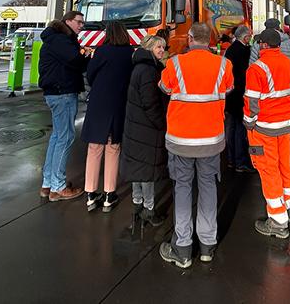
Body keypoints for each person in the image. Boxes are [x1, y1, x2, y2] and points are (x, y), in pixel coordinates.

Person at [158, 22, 233, 269]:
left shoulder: (175, 63)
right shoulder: (224, 64)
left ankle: (182, 248)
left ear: (190, 38)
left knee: (182, 189)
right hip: (211, 140)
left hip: (180, 141)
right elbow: (228, 88)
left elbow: (165, 87)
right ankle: (208, 246)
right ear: (209, 39)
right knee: (209, 188)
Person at [244, 28, 290, 239]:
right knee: (284, 166)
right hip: (285, 126)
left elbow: (251, 103)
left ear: (265, 45)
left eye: (259, 43)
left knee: (269, 171)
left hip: (264, 129)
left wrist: (249, 124)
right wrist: (289, 115)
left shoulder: (256, 69)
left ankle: (278, 222)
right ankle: (288, 208)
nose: (257, 46)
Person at [82, 21, 134, 212]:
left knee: (94, 148)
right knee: (113, 148)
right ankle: (109, 194)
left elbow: (90, 74)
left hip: (98, 103)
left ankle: (90, 194)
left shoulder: (102, 51)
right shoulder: (129, 53)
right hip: (119, 102)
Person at [38, 11, 88, 202]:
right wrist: (85, 53)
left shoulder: (54, 39)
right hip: (63, 93)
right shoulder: (61, 40)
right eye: (79, 22)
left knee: (58, 137)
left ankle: (48, 183)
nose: (81, 26)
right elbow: (76, 61)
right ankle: (58, 187)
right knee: (65, 138)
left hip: (55, 93)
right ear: (67, 21)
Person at [121, 34, 169, 227]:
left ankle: (137, 204)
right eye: (158, 47)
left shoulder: (139, 67)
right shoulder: (149, 71)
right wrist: (161, 124)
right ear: (149, 48)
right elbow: (150, 102)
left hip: (136, 125)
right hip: (147, 128)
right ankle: (149, 210)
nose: (161, 50)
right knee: (147, 170)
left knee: (138, 167)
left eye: (163, 47)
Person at [224, 24, 252, 172]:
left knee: (231, 128)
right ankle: (241, 162)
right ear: (246, 37)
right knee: (241, 130)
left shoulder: (230, 49)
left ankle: (230, 159)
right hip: (240, 95)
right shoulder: (244, 51)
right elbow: (244, 75)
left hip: (230, 95)